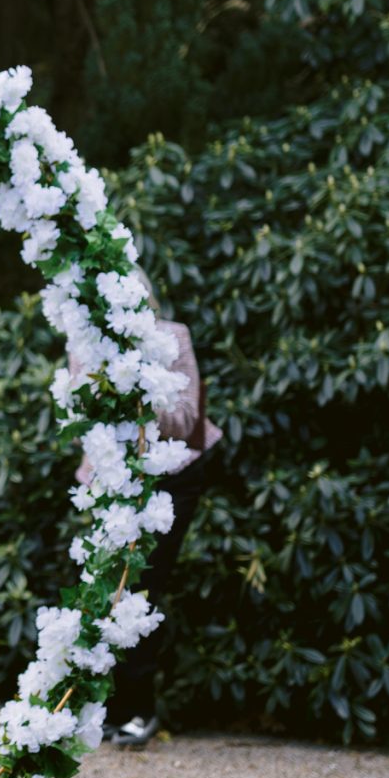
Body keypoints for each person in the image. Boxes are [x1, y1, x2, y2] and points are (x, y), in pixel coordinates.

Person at [74, 302, 222, 749]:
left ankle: (139, 709)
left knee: (143, 583)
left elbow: (187, 421)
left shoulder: (174, 337)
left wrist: (137, 395)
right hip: (113, 478)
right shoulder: (85, 340)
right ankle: (100, 706)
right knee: (103, 584)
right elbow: (82, 408)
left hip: (173, 474)